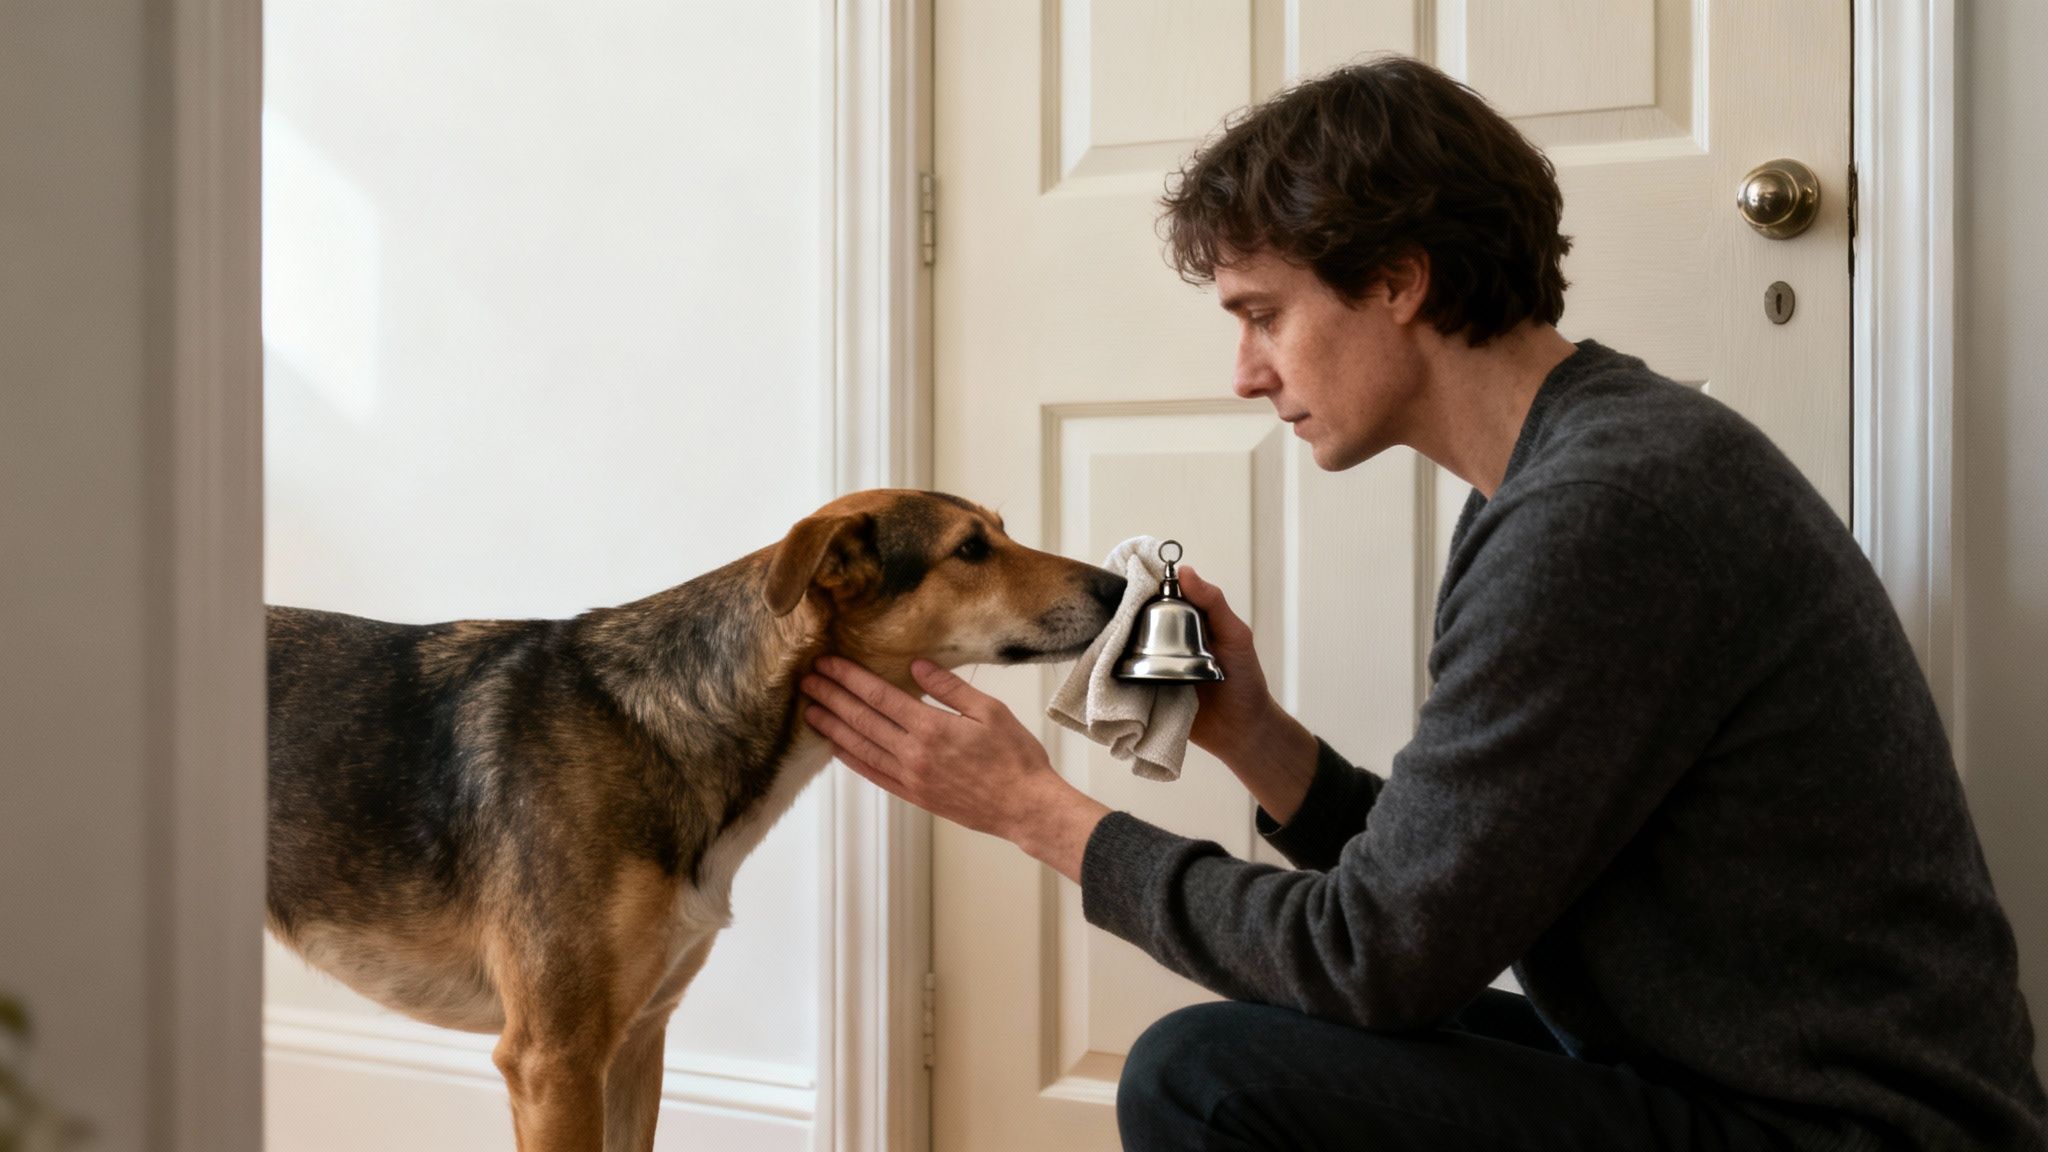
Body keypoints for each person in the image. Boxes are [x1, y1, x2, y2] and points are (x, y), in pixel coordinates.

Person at [800, 56, 2048, 1151]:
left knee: (1205, 1078)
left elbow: (1372, 959)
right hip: (1716, 1071)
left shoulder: (1599, 514)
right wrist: (1255, 737)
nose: (1243, 374)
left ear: (1396, 280)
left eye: (1261, 315)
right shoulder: (1572, 468)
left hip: (1841, 1130)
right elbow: (1438, 901)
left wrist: (1041, 816)